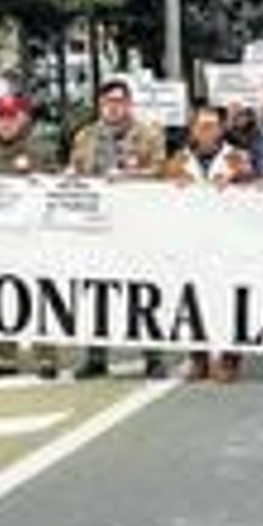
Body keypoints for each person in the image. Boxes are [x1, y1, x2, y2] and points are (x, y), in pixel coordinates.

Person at [70, 80, 169, 380]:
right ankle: (96, 356)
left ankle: (153, 356)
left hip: (138, 225)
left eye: (119, 101)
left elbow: (161, 171)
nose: (114, 107)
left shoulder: (149, 135)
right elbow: (75, 170)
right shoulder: (85, 136)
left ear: (129, 104)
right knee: (95, 290)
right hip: (98, 226)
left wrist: (128, 176)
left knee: (143, 291)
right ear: (101, 105)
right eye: (108, 102)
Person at [0, 94, 61, 378]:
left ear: (24, 118)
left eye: (12, 116)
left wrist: (45, 182)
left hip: (34, 236)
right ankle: (4, 354)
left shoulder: (42, 150)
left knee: (39, 292)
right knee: (0, 292)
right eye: (2, 117)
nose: (6, 122)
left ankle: (46, 355)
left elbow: (61, 188)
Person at [165, 106, 254, 382]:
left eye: (213, 125)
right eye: (202, 125)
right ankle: (198, 358)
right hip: (191, 241)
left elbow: (257, 190)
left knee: (227, 298)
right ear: (192, 129)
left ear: (221, 129)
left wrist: (237, 180)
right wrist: (172, 183)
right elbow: (157, 192)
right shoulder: (179, 159)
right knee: (192, 298)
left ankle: (229, 358)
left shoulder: (237, 158)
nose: (207, 131)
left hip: (228, 241)